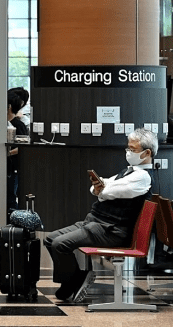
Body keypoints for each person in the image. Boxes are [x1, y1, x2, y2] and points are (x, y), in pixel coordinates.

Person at [44, 128, 157, 303]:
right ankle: (75, 279)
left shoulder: (143, 177)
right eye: (128, 148)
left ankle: (73, 281)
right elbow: (102, 186)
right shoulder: (129, 172)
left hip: (111, 231)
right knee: (50, 239)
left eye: (133, 149)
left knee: (60, 244)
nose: (128, 152)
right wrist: (100, 188)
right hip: (96, 223)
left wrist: (102, 190)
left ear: (147, 153)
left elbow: (109, 190)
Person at [6, 90, 28, 214]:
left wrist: (8, 153)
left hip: (13, 168)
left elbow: (23, 147)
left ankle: (13, 221)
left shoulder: (19, 125)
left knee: (11, 198)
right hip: (2, 168)